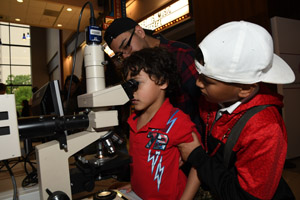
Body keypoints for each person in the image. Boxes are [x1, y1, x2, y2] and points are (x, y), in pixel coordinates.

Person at [179, 21, 295, 200]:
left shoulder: (265, 129)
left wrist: (197, 156)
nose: (198, 83)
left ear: (245, 89)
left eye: (208, 81)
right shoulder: (212, 98)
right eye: (199, 75)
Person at [120, 47, 200, 199]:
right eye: (128, 86)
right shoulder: (133, 120)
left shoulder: (176, 122)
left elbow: (199, 165)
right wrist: (136, 184)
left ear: (162, 81)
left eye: (137, 84)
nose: (131, 92)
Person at [104, 17, 201, 129]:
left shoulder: (181, 55)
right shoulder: (131, 67)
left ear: (139, 32)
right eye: (120, 54)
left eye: (126, 46)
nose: (126, 56)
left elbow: (204, 104)